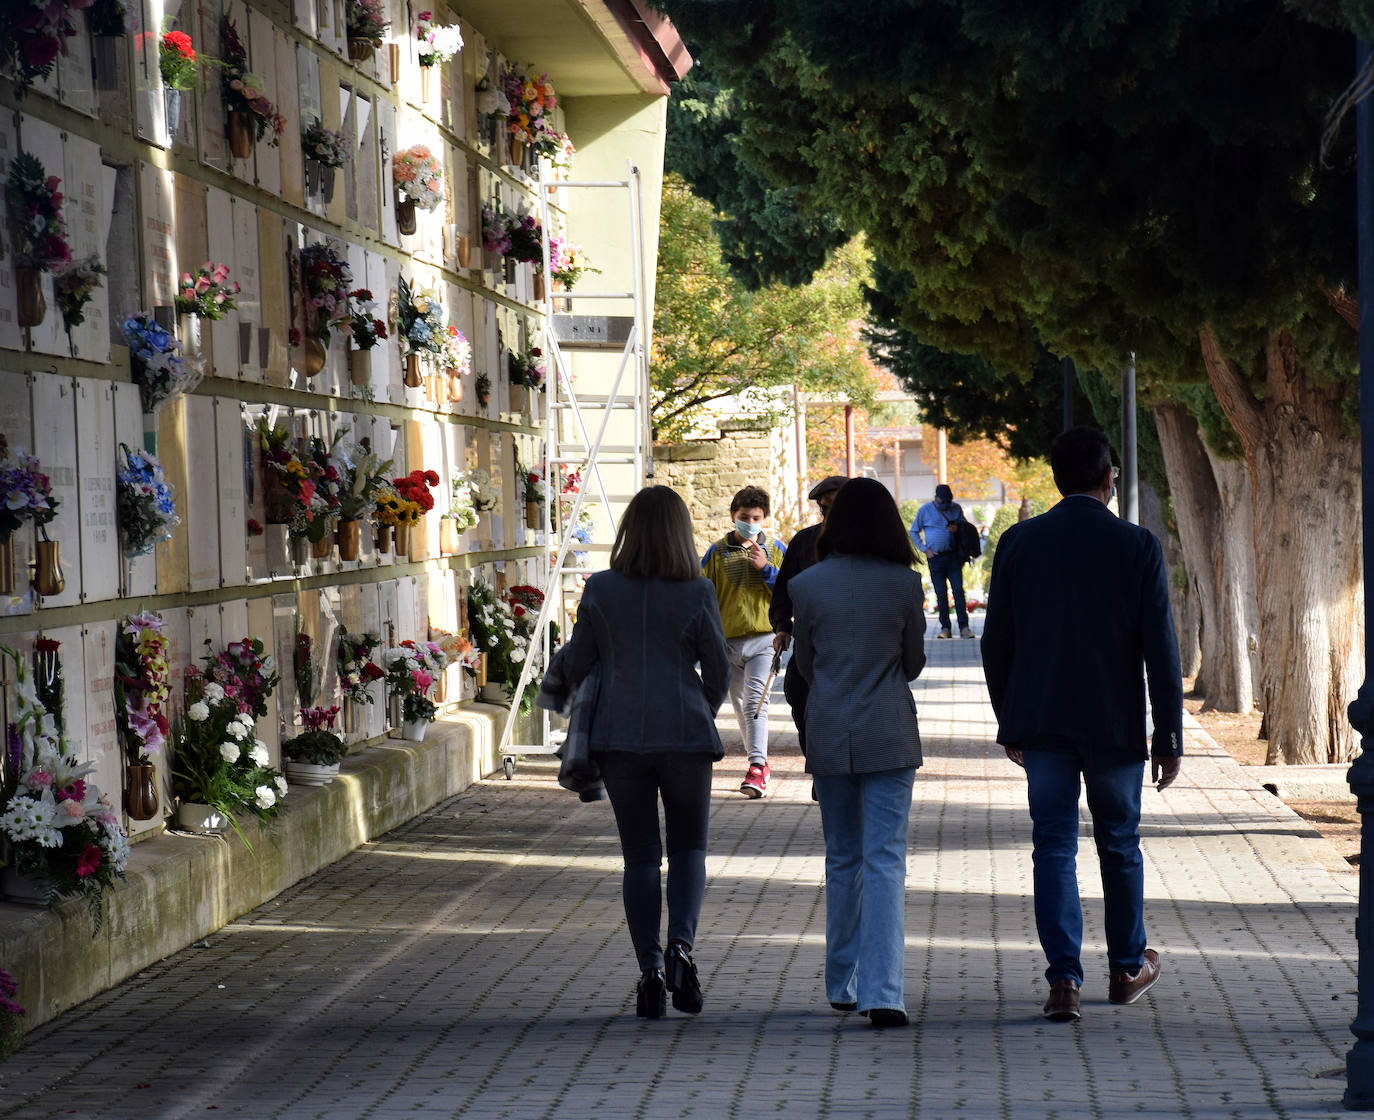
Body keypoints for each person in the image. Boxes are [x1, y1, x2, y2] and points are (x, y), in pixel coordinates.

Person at [980, 426, 1183, 1024]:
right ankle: (1125, 967)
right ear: (1108, 479)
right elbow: (1161, 651)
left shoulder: (1019, 544)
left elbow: (997, 644)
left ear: (1056, 479)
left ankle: (1064, 981)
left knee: (1053, 845)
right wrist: (1167, 734)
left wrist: (1009, 719)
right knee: (1118, 842)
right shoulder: (1137, 545)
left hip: (1041, 721)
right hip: (1113, 723)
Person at [551, 486, 730, 1019]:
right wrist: (699, 706)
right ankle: (682, 950)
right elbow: (718, 671)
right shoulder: (698, 591)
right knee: (690, 849)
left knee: (641, 857)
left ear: (629, 528)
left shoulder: (601, 588)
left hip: (620, 737)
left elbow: (579, 658)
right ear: (682, 533)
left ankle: (649, 971)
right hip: (686, 735)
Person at [789, 478, 927, 1028]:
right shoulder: (904, 585)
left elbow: (805, 666)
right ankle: (884, 992)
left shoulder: (807, 586)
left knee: (842, 857)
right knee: (885, 859)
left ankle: (839, 981)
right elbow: (913, 662)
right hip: (888, 730)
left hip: (829, 728)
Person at [701, 486, 787, 797]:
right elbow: (702, 594)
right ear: (732, 517)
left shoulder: (776, 550)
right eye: (743, 517)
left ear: (764, 519)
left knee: (755, 703)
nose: (749, 522)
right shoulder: (717, 552)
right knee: (740, 707)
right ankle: (758, 764)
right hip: (727, 642)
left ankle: (757, 766)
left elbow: (790, 590)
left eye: (755, 517)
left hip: (765, 639)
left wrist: (766, 570)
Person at [769, 475, 848, 756]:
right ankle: (819, 765)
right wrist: (782, 626)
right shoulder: (804, 542)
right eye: (823, 508)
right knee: (797, 694)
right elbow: (783, 593)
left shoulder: (867, 545)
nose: (828, 514)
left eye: (835, 506)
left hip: (851, 647)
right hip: (810, 647)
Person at [910, 483, 973, 639]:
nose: (945, 505)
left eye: (947, 502)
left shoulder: (956, 508)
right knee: (940, 593)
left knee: (958, 591)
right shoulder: (925, 510)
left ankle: (964, 627)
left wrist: (957, 530)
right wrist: (925, 549)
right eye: (941, 502)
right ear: (935, 499)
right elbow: (914, 531)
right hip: (935, 558)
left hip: (953, 557)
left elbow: (965, 529)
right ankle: (945, 627)